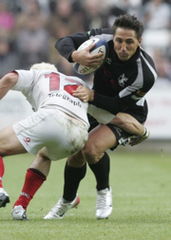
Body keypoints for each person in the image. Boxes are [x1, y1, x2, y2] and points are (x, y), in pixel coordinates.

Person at [43, 14, 157, 220]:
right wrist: (75, 56)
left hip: (126, 111)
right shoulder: (103, 38)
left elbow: (118, 104)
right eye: (119, 41)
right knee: (75, 150)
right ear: (114, 37)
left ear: (139, 42)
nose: (123, 47)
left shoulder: (146, 74)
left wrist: (92, 95)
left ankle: (103, 192)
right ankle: (67, 200)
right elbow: (63, 42)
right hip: (94, 102)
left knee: (90, 148)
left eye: (129, 42)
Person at [0, 62, 93, 219]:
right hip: (79, 134)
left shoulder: (38, 75)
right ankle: (20, 206)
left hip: (53, 117)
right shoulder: (79, 83)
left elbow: (9, 78)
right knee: (44, 155)